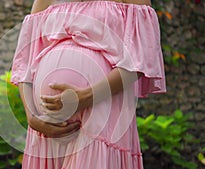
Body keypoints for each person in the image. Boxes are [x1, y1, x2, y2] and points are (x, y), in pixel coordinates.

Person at [11, 0, 166, 168]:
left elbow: (139, 60)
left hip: (102, 107)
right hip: (48, 124)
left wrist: (86, 96)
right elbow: (24, 66)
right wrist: (32, 117)